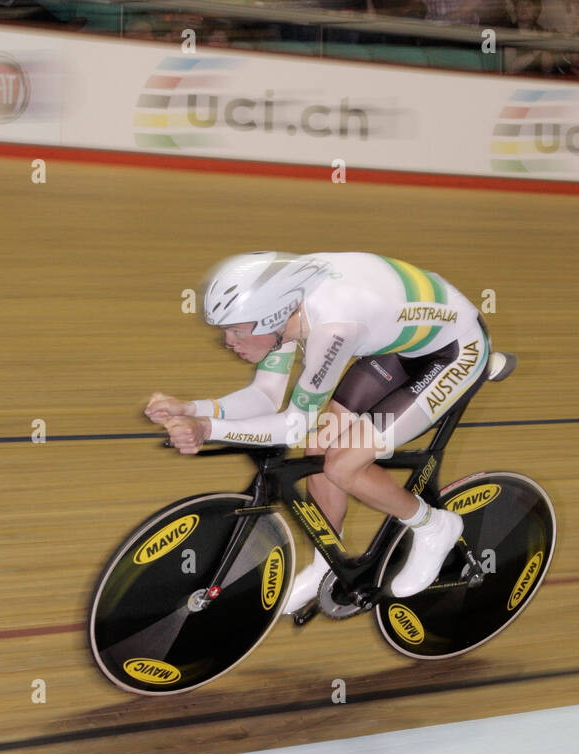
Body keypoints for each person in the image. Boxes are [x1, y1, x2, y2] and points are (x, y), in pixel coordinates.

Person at [145, 251, 510, 611]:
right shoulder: (284, 305)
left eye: (236, 330)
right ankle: (325, 566)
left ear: (271, 317)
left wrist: (206, 428)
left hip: (456, 351)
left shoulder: (332, 328)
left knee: (342, 464)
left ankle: (434, 527)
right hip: (402, 344)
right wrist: (191, 410)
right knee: (319, 451)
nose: (229, 341)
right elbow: (264, 397)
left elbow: (292, 425)